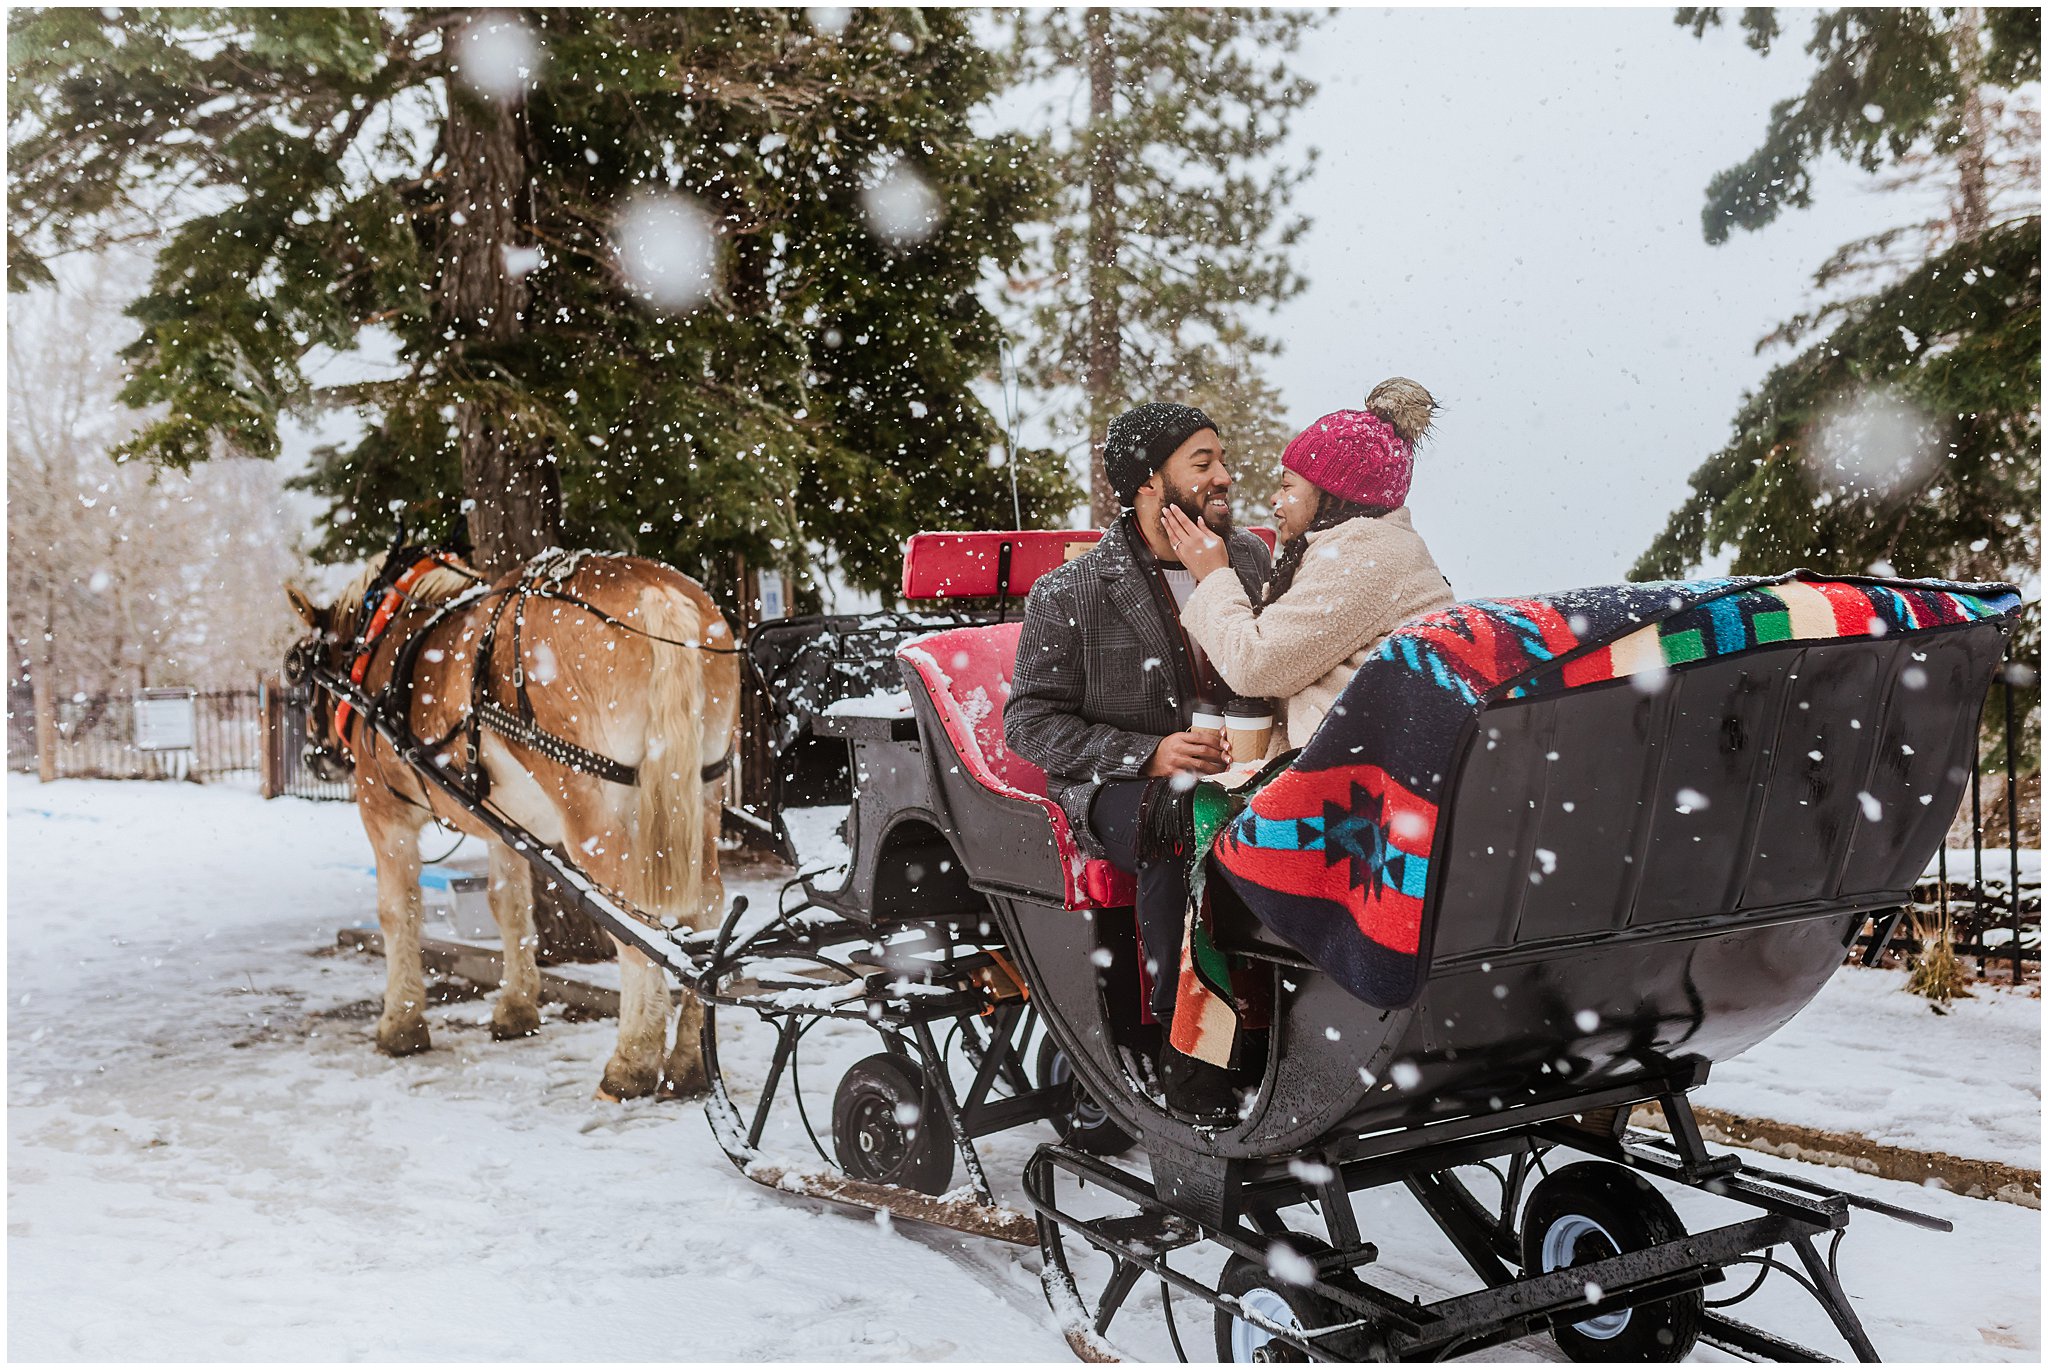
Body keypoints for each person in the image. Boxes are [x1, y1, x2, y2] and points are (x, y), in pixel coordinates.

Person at [1005, 401, 1271, 1107]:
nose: (1224, 476)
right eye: (1203, 462)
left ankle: (1280, 1024)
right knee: (1180, 818)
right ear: (1150, 481)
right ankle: (1184, 1049)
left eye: (1221, 459)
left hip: (1241, 771)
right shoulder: (1072, 591)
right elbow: (1028, 725)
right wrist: (1149, 752)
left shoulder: (1246, 557)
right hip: (1120, 790)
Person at [1162, 378, 1456, 756]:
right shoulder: (1364, 547)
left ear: (1334, 495)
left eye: (1288, 486)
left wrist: (1215, 574)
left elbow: (1255, 665)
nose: (1275, 499)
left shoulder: (1366, 554)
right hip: (1365, 761)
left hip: (1355, 782)